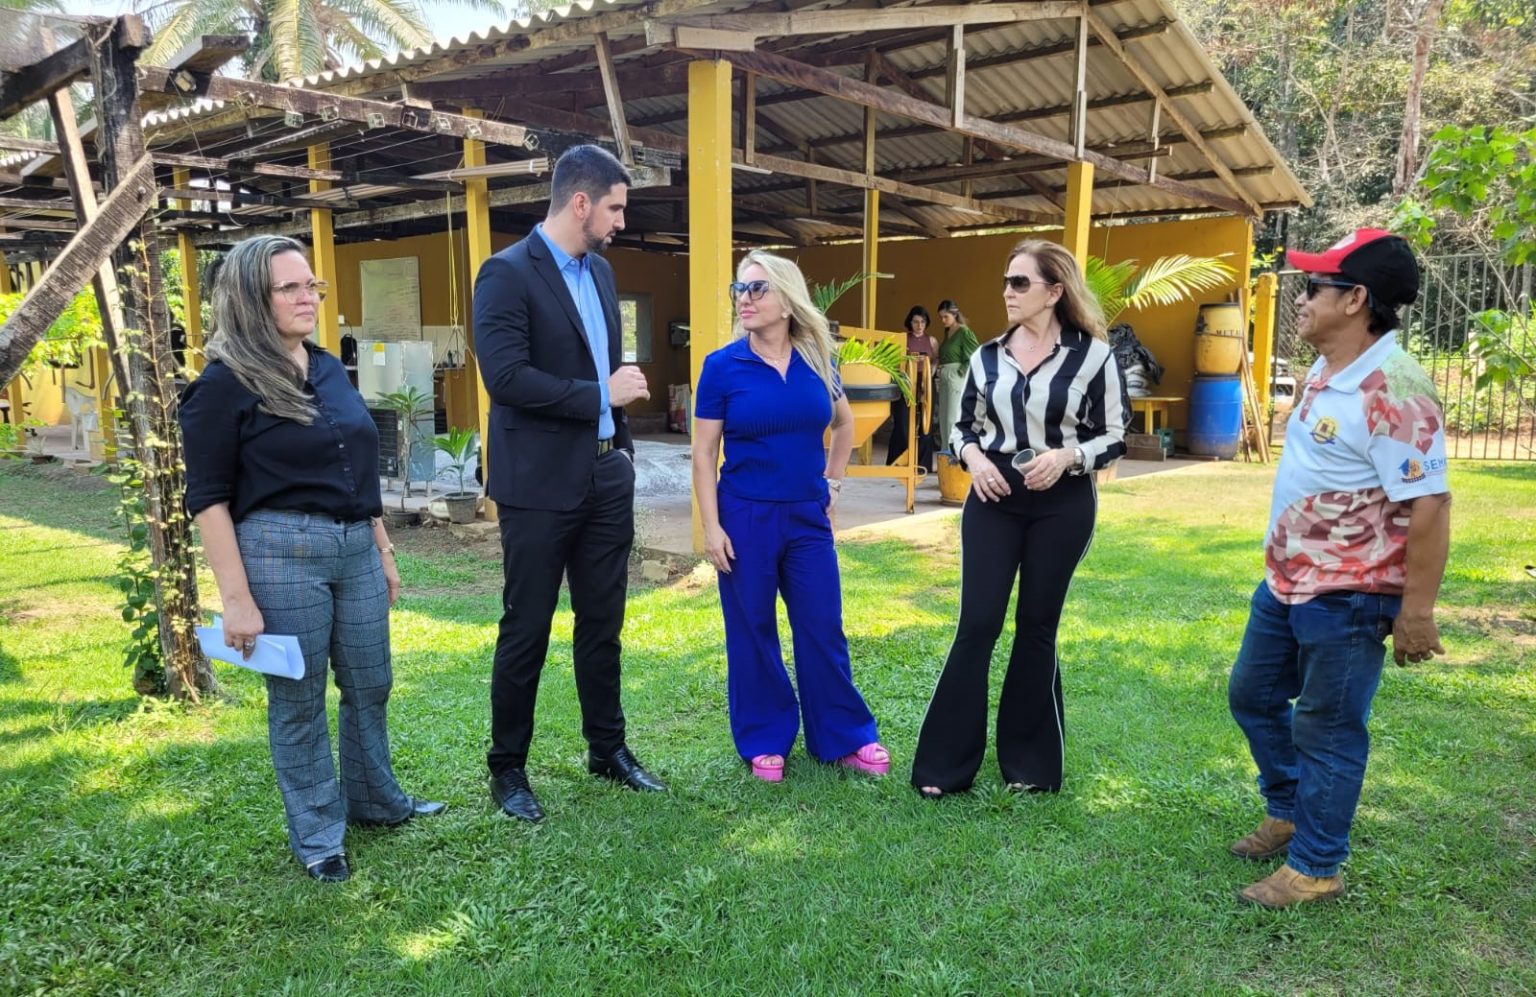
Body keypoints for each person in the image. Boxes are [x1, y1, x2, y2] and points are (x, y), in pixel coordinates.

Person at [179, 235, 444, 884]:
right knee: (298, 699)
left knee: (370, 682)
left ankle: (375, 800)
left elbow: (356, 464)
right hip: (280, 551)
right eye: (290, 288)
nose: (309, 298)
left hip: (356, 546)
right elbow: (208, 500)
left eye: (313, 286)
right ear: (251, 298)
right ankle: (320, 835)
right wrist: (236, 599)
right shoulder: (223, 384)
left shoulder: (325, 366)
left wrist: (382, 547)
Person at [1227, 230, 1451, 908]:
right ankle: (1291, 810)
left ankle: (1317, 866)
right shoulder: (1329, 369)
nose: (1300, 298)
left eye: (1314, 287)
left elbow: (1431, 502)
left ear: (1355, 300)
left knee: (1327, 727)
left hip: (1350, 593)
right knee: (1253, 695)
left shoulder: (1396, 389)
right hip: (1288, 581)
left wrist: (1416, 612)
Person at [472, 143, 665, 824]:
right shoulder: (505, 274)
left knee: (603, 623)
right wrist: (599, 395)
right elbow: (505, 378)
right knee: (526, 626)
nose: (621, 221)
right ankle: (507, 767)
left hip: (606, 473)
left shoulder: (602, 273)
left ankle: (606, 749)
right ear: (580, 202)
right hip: (536, 484)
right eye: (614, 207)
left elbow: (605, 369)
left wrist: (621, 448)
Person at [912, 240, 1127, 799]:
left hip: (1063, 501)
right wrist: (977, 460)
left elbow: (1114, 436)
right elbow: (961, 429)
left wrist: (1067, 457)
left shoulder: (1094, 357)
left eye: (1020, 282)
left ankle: (1030, 766)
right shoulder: (986, 357)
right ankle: (943, 767)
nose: (1007, 292)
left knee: (1036, 626)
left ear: (1054, 292)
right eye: (1006, 281)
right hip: (994, 494)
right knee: (978, 623)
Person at [692, 251, 890, 783]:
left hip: (807, 518)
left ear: (787, 300)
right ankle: (764, 738)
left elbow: (844, 426)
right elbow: (704, 453)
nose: (745, 298)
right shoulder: (722, 367)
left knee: (822, 625)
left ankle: (844, 737)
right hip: (744, 516)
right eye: (740, 289)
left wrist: (833, 483)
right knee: (752, 629)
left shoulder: (818, 359)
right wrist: (712, 526)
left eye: (757, 289)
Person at [885, 304, 937, 470]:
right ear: (910, 322)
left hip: (925, 382)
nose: (919, 325)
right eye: (916, 322)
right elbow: (892, 361)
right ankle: (897, 462)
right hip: (905, 382)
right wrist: (909, 361)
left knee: (926, 425)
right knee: (902, 423)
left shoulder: (932, 340)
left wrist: (930, 371)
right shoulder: (903, 339)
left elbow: (935, 360)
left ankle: (923, 465)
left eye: (923, 322)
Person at [933, 300, 979, 450]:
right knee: (943, 418)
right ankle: (945, 451)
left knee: (952, 418)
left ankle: (953, 453)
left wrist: (961, 372)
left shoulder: (964, 332)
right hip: (944, 376)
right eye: (941, 317)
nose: (943, 320)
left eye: (946, 316)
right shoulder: (948, 332)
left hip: (955, 376)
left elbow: (975, 355)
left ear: (954, 314)